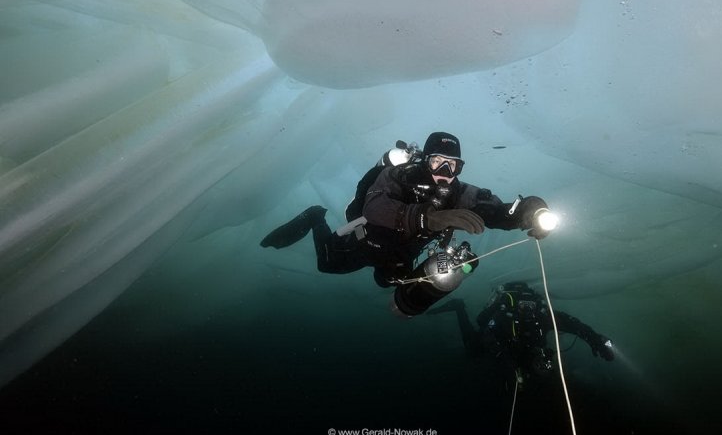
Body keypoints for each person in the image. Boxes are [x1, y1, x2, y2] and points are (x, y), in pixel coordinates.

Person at [259, 131, 553, 294]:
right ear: (426, 160)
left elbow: (500, 210)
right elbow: (374, 208)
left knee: (386, 281)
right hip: (368, 239)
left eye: (453, 166)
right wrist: (429, 217)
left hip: (401, 254)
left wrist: (533, 211)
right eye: (439, 162)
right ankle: (315, 216)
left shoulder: (461, 193)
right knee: (327, 263)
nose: (445, 173)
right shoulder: (397, 175)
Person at [429, 281, 614, 390]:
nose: (527, 310)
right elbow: (487, 331)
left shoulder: (543, 317)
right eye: (524, 306)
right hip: (500, 338)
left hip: (514, 350)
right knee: (472, 349)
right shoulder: (507, 314)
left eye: (531, 306)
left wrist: (595, 341)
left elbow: (575, 325)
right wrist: (504, 357)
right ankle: (458, 306)